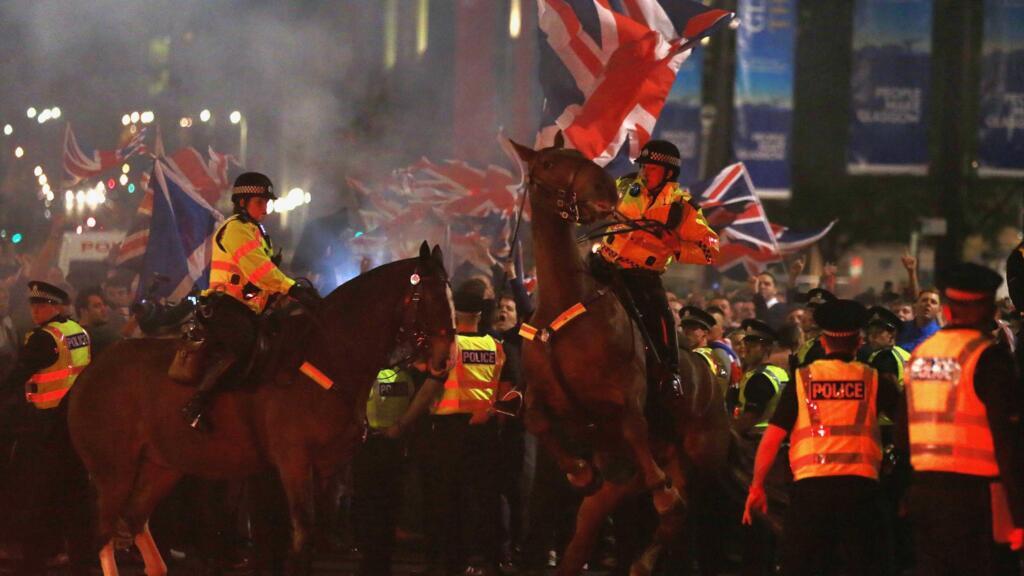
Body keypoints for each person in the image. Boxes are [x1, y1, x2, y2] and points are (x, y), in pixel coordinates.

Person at [743, 300, 900, 576]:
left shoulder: (803, 380)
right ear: (859, 342)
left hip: (811, 493)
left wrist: (756, 486)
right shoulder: (873, 379)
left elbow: (772, 438)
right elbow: (909, 426)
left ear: (824, 342)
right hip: (861, 493)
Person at [904, 263, 1024, 574]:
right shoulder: (989, 357)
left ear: (947, 308)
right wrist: (1018, 514)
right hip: (979, 499)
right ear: (987, 308)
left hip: (925, 494)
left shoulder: (920, 355)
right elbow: (1008, 441)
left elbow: (905, 432)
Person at [182, 172, 321, 431]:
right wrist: (292, 288)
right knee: (243, 345)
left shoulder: (257, 231)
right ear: (242, 202)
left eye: (267, 203)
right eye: (261, 202)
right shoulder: (235, 229)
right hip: (226, 306)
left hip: (250, 309)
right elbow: (260, 271)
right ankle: (197, 403)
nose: (266, 209)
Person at [590, 139, 719, 399]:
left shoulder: (683, 207)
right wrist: (598, 209)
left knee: (662, 317)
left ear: (668, 173)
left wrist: (677, 247)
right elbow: (599, 204)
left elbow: (710, 251)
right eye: (643, 166)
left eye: (651, 167)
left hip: (640, 277)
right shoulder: (625, 186)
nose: (644, 171)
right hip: (602, 263)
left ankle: (670, 371)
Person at [0, 281, 93, 575]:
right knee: (74, 496)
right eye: (33, 306)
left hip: (46, 428)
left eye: (41, 306)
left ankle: (32, 563)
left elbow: (16, 375)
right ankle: (80, 559)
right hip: (75, 424)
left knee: (36, 496)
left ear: (56, 307)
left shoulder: (44, 338)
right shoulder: (77, 331)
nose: (35, 311)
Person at [421, 279, 512, 575]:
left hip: (448, 430)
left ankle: (448, 562)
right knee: (486, 498)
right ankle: (491, 559)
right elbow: (509, 391)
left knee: (447, 500)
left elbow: (423, 373)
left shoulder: (448, 345)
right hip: (485, 431)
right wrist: (492, 413)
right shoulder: (496, 346)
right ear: (479, 314)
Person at [351, 367, 434, 576]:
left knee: (376, 507)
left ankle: (374, 563)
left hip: (381, 443)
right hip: (385, 441)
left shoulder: (373, 371)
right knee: (382, 507)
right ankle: (376, 563)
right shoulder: (407, 373)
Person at [731, 319, 789, 436]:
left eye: (753, 344)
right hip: (777, 440)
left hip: (755, 442)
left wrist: (728, 434)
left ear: (767, 347)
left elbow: (749, 418)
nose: (746, 348)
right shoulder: (779, 372)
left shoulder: (759, 378)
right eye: (745, 343)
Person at [678, 306, 729, 393]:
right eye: (684, 328)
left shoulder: (696, 357)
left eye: (693, 328)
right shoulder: (714, 356)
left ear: (705, 332)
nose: (686, 332)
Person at [791, 287, 836, 370]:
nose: (814, 316)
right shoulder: (808, 343)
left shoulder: (825, 347)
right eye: (811, 311)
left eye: (820, 312)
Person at [74, 286, 121, 357]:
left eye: (104, 305)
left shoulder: (71, 333)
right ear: (83, 311)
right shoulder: (104, 335)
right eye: (97, 306)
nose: (103, 309)